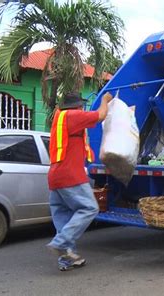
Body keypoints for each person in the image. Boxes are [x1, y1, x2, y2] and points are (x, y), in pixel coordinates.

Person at [47, 91, 112, 271]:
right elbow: (100, 115)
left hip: (55, 175)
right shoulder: (73, 116)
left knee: (63, 218)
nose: (82, 107)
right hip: (70, 175)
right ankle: (60, 243)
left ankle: (67, 259)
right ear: (76, 106)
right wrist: (106, 100)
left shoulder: (60, 118)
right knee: (90, 208)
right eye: (81, 105)